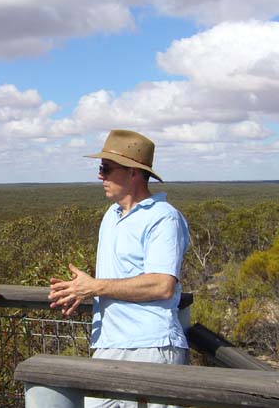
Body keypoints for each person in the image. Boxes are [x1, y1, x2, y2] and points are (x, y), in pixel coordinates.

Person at [48, 130, 189, 408]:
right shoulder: (110, 216)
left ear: (134, 173)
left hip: (152, 347)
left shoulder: (164, 218)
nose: (100, 175)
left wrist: (95, 286)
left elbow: (162, 285)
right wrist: (81, 289)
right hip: (109, 344)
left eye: (106, 168)